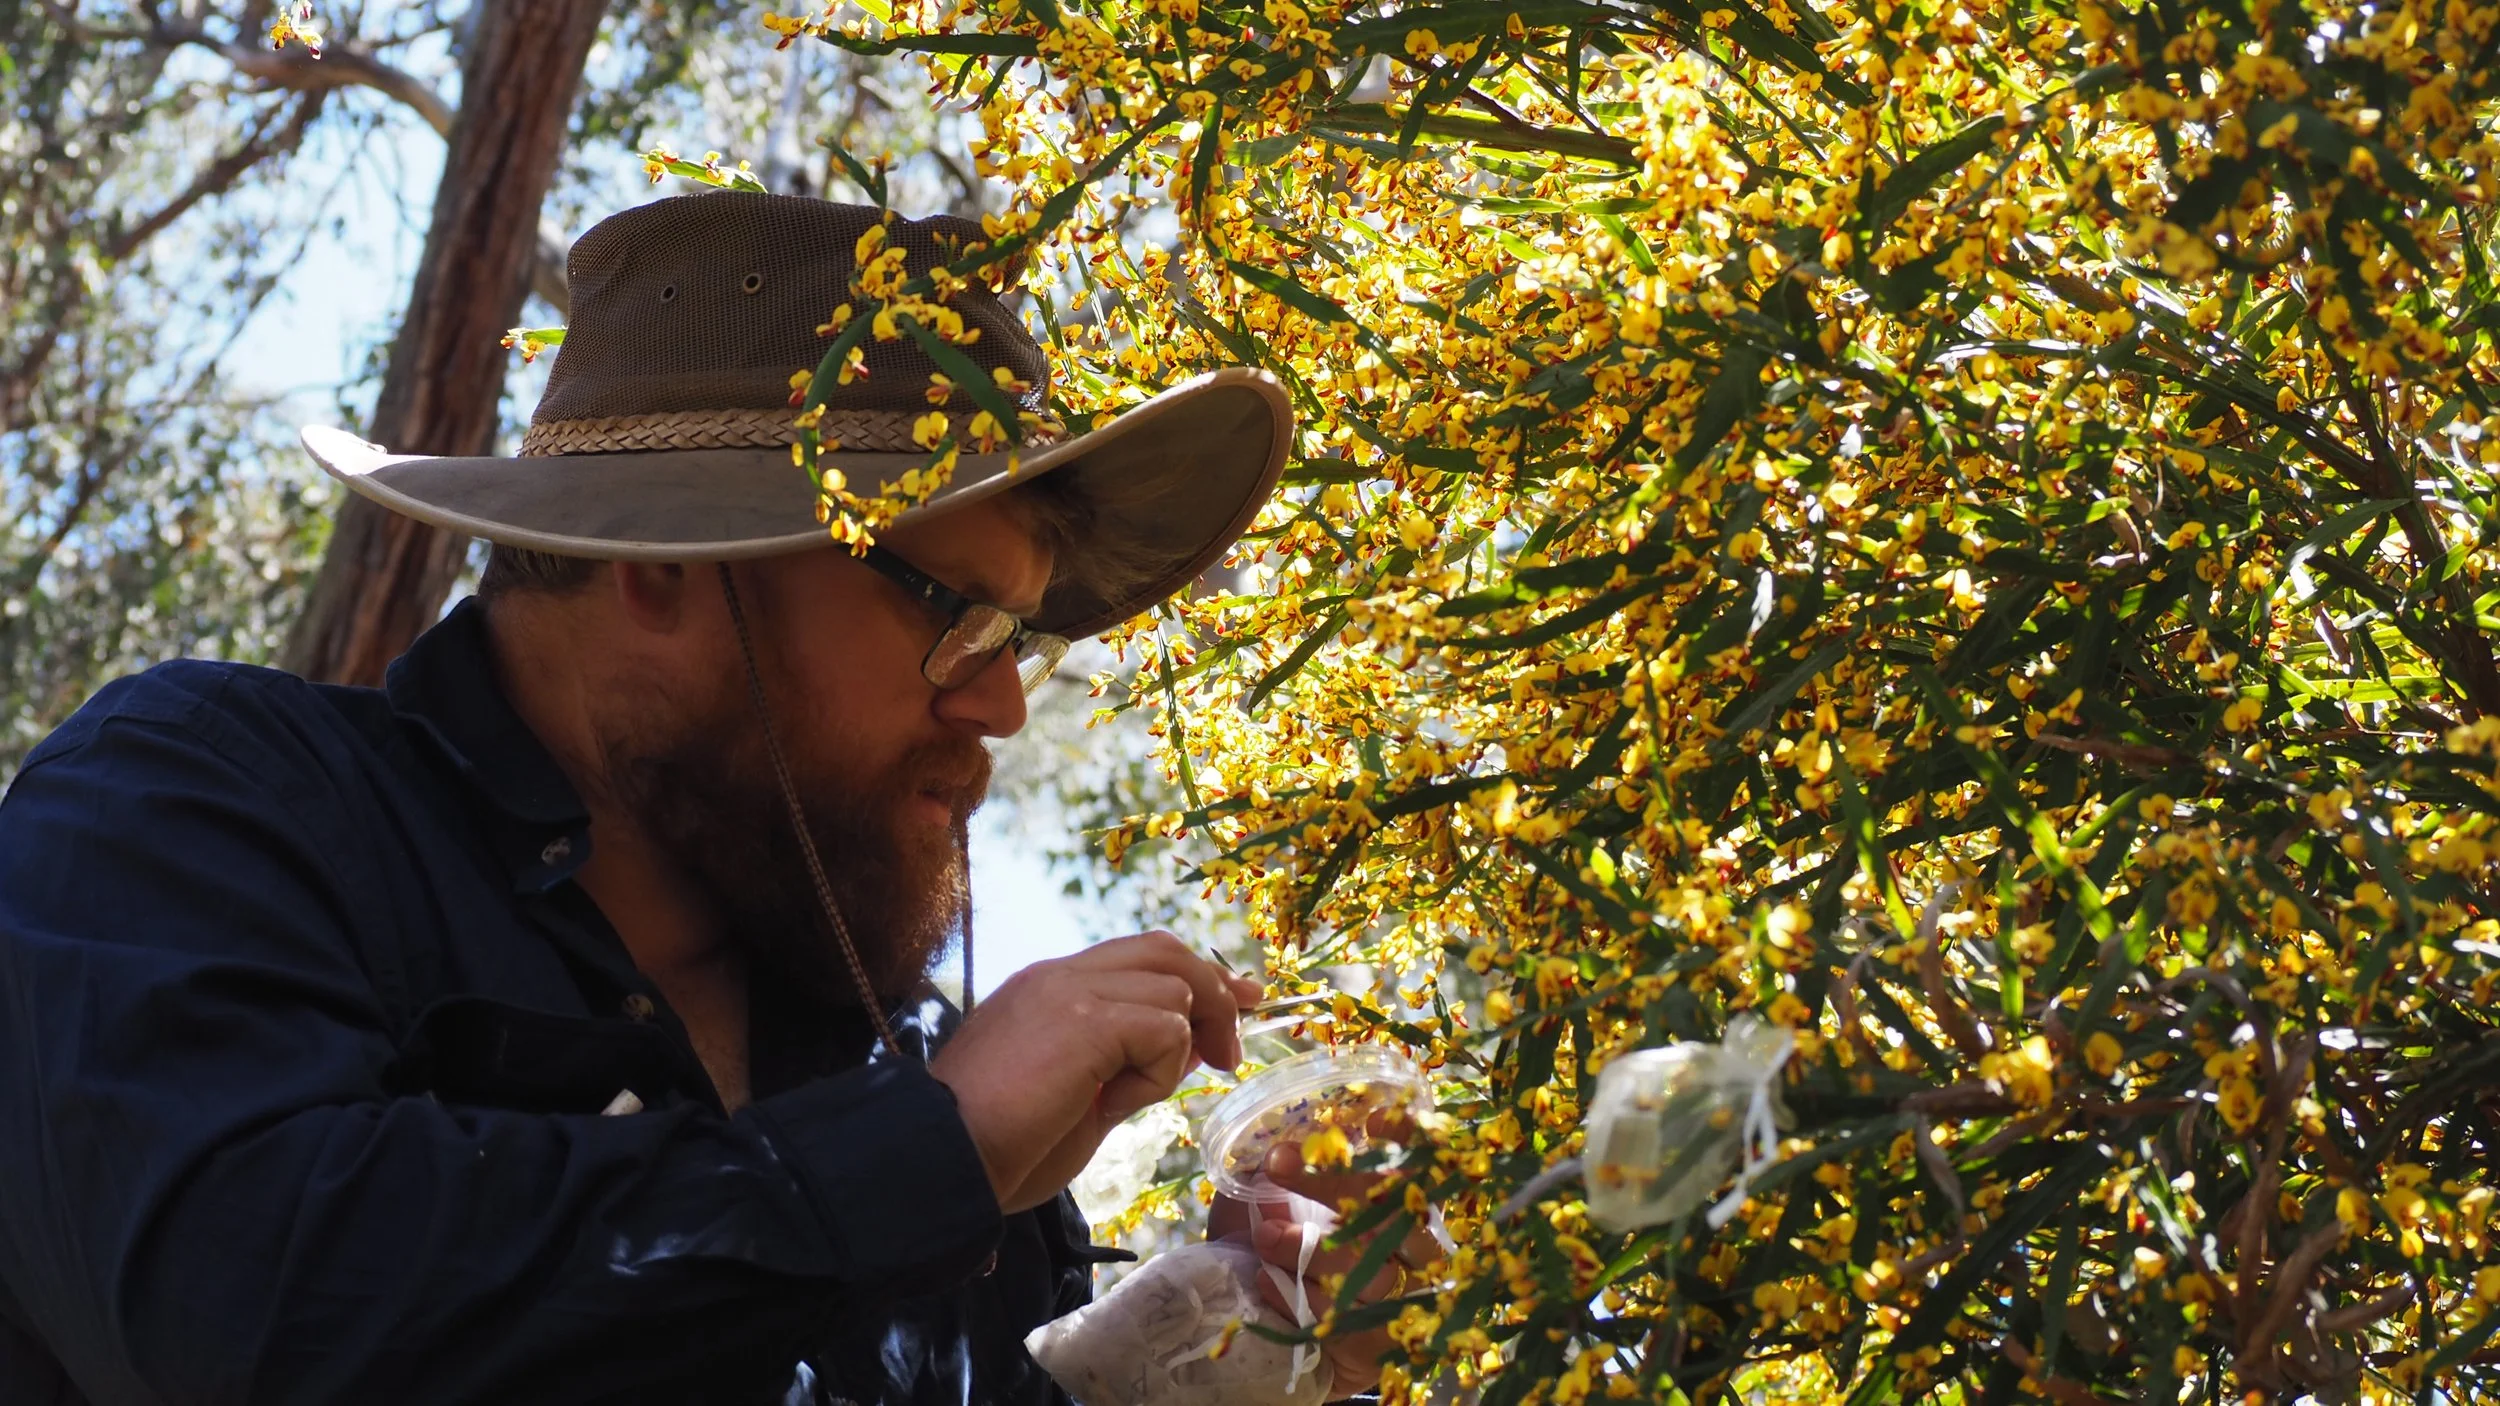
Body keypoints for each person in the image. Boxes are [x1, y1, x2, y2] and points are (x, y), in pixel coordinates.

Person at [0, 192, 1440, 1405]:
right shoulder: (205, 801)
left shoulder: (889, 1063)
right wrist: (927, 1155)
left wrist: (1247, 1342)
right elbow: (246, 1312)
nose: (999, 703)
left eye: (1022, 646)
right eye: (958, 621)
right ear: (669, 567)